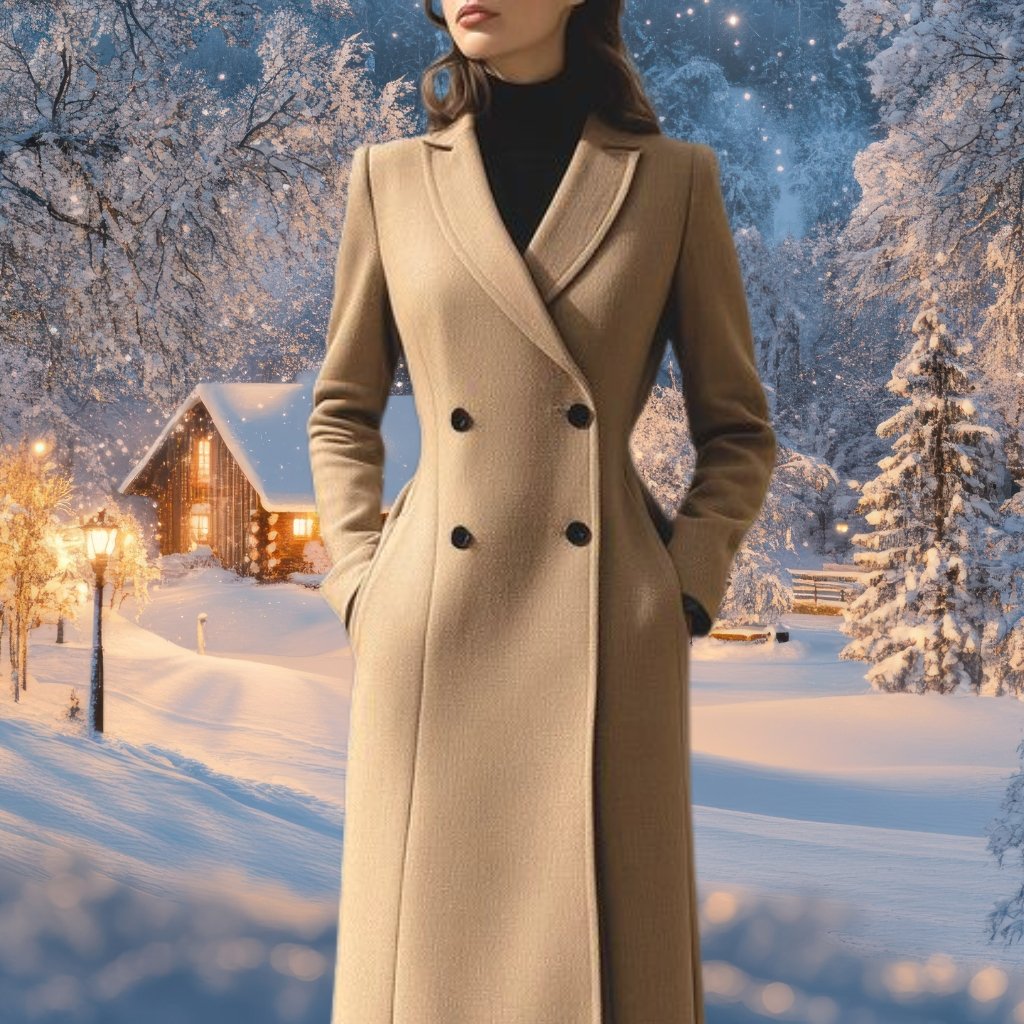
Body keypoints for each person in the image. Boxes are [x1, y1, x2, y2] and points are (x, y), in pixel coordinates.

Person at [306, 0, 777, 1022]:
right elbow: (341, 411)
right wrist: (358, 582)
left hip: (605, 632)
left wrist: (681, 590)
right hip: (431, 632)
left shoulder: (670, 182)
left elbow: (736, 431)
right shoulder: (388, 177)